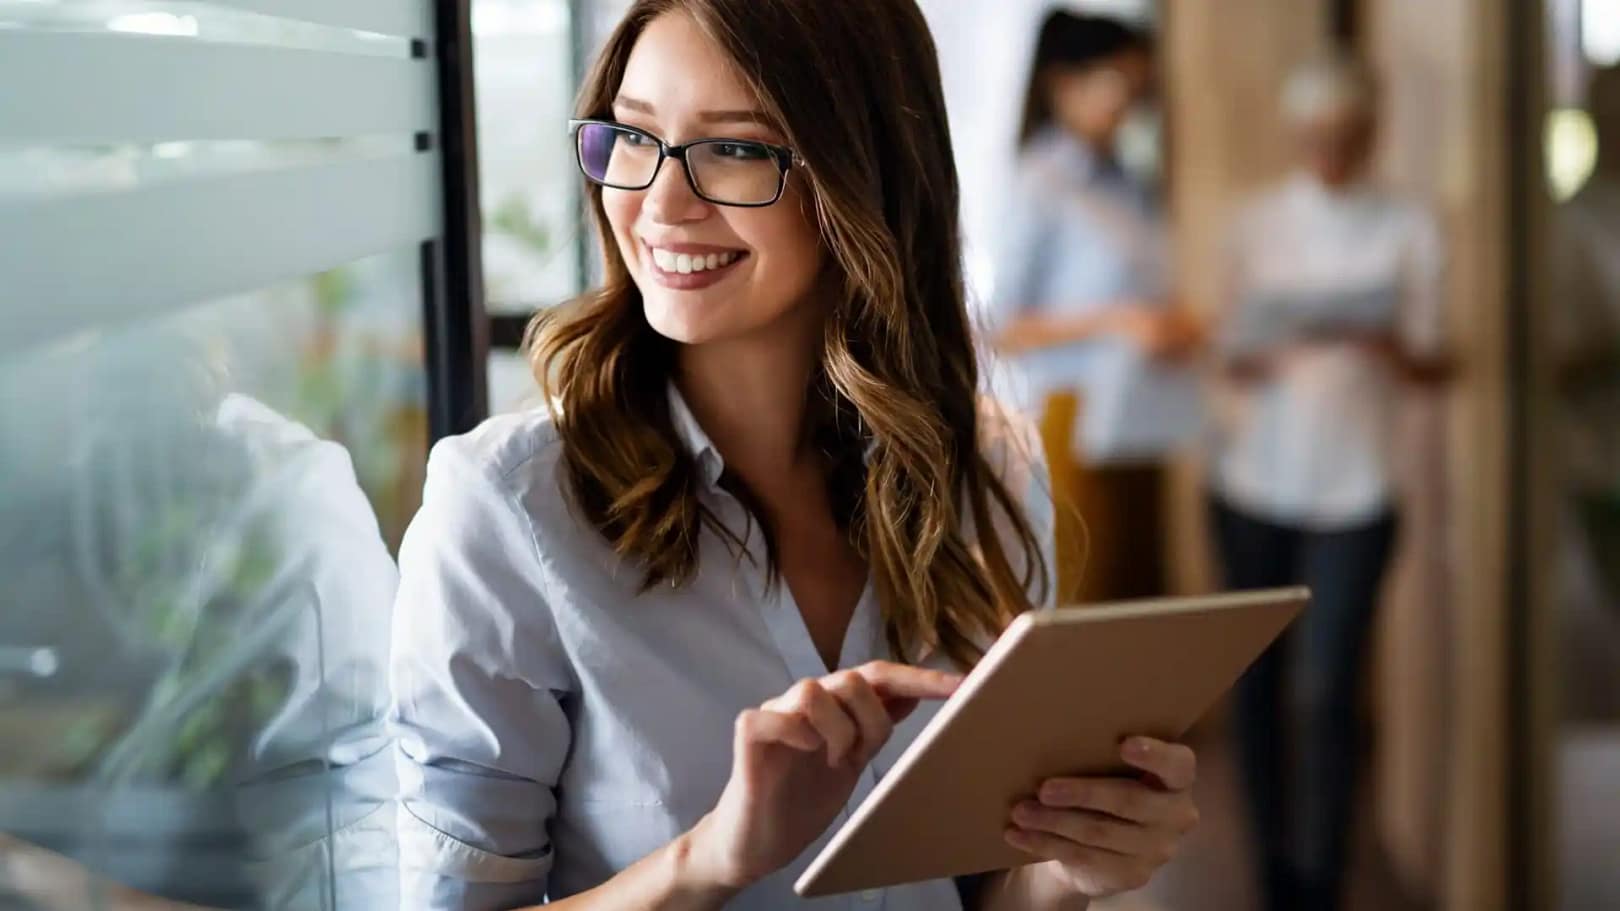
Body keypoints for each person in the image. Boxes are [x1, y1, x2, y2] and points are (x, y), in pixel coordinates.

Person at [389, 1, 1201, 908]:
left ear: (865, 176)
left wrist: (1063, 873)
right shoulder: (507, 508)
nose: (659, 203)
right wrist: (709, 859)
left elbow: (977, 892)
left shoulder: (986, 478)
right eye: (633, 134)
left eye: (734, 148)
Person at [1205, 50, 1449, 911]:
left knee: (1326, 692)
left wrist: (1390, 347)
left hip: (1359, 490)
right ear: (1297, 135)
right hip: (1254, 485)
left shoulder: (1408, 227)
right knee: (1261, 693)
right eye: (1316, 135)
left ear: (1371, 133)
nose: (1331, 150)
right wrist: (1262, 345)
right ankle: (1270, 870)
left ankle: (1320, 880)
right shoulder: (1257, 224)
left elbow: (1438, 362)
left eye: (1347, 134)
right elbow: (1224, 355)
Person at [990, 10, 1200, 604]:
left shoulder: (1126, 185)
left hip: (1140, 412)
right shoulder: (1041, 183)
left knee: (1140, 597)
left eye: (1140, 89)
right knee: (1085, 595)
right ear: (1065, 84)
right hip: (1072, 417)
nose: (1131, 104)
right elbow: (1004, 326)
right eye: (1120, 85)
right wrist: (1119, 322)